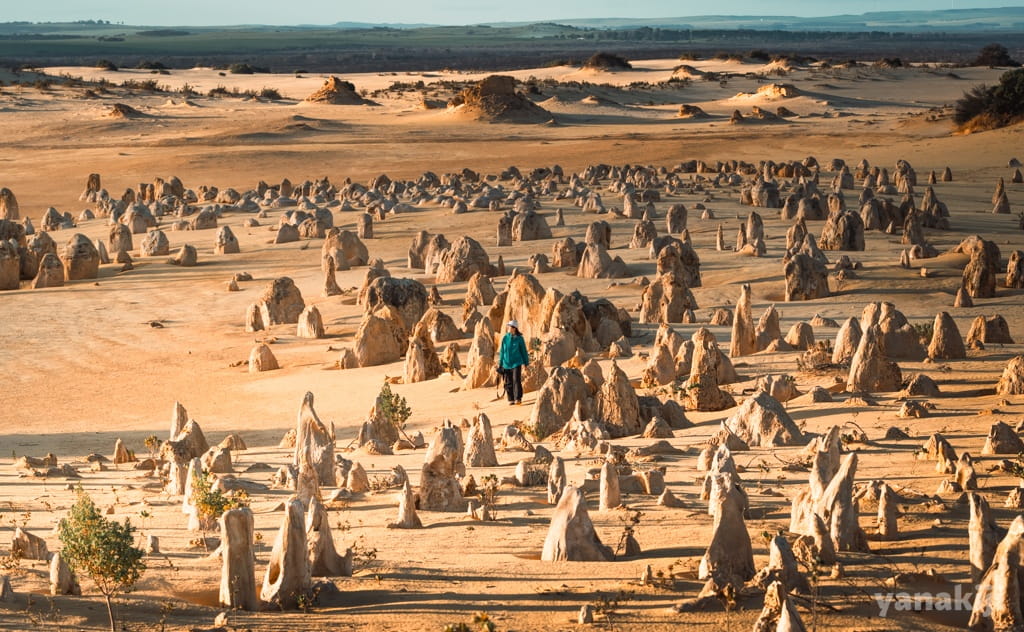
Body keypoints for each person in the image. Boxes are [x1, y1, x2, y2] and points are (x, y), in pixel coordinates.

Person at [498, 319, 529, 405]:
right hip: (506, 364)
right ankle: (510, 399)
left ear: (514, 328)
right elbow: (502, 351)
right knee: (508, 382)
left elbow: (524, 351)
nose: (508, 328)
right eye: (508, 326)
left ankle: (518, 398)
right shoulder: (505, 338)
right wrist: (500, 364)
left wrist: (526, 363)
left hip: (516, 363)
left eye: (510, 326)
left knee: (516, 380)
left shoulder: (519, 339)